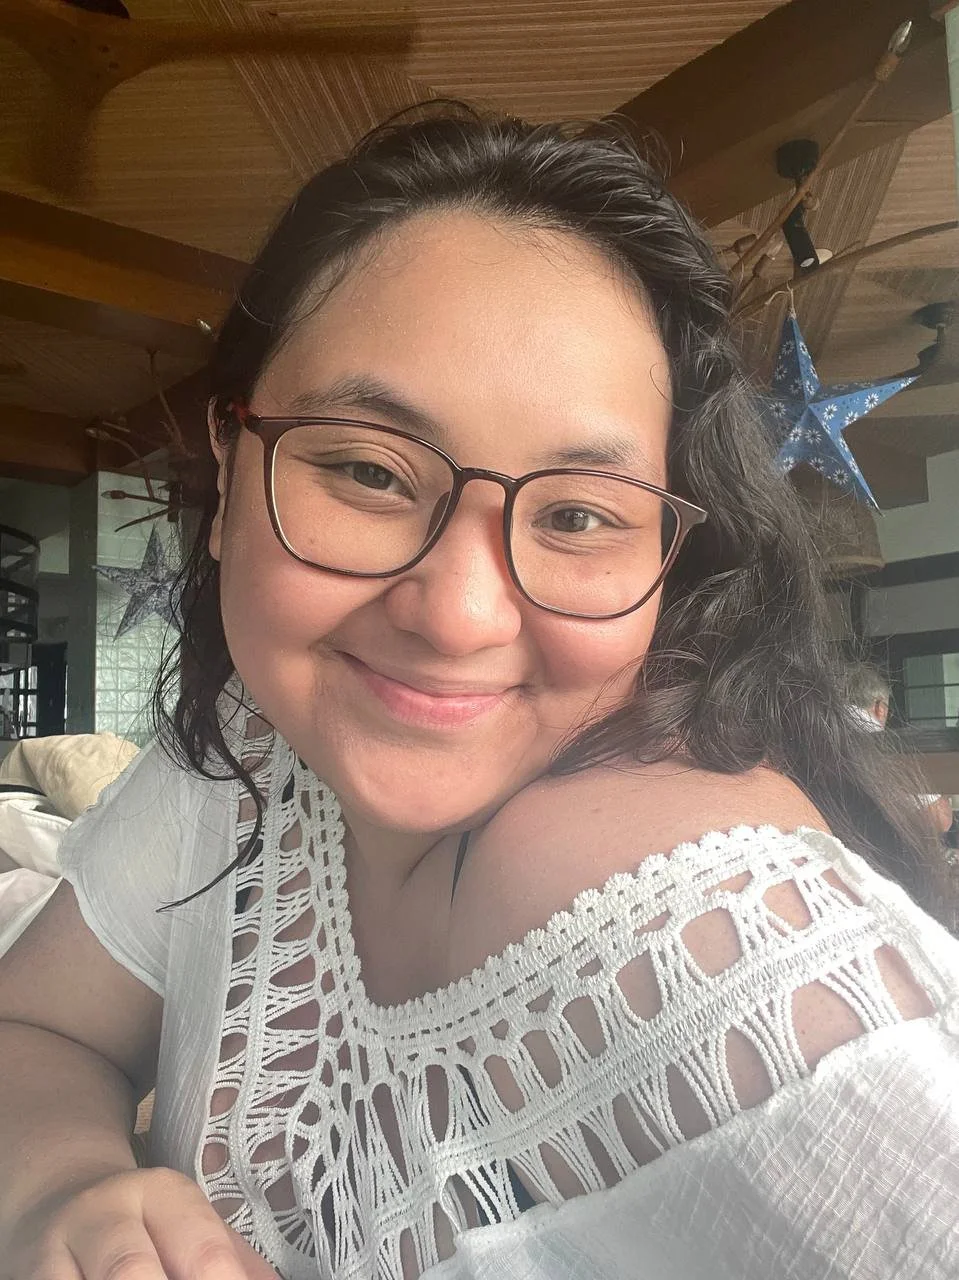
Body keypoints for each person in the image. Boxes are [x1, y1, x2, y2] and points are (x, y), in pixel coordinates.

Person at [1, 108, 957, 1280]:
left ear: (672, 563)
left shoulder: (660, 890)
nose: (456, 614)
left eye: (575, 516)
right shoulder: (254, 745)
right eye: (364, 467)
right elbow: (37, 1026)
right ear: (230, 464)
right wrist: (61, 1186)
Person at [845, 662, 955, 835]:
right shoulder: (882, 744)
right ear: (879, 707)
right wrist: (945, 791)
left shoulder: (817, 723)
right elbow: (939, 820)